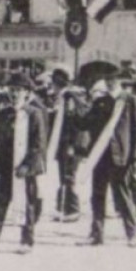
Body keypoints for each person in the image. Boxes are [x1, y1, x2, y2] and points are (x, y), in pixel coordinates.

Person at [0, 72, 48, 253]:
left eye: (18, 91)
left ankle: (27, 241)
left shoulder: (34, 114)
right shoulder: (5, 113)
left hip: (25, 168)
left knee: (26, 203)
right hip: (7, 166)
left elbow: (39, 144)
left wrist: (27, 165)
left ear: (27, 93)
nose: (14, 94)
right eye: (12, 90)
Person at [80, 73, 136, 246]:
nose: (110, 83)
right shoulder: (100, 102)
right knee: (97, 195)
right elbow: (85, 123)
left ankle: (132, 234)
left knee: (122, 196)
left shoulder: (131, 100)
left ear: (119, 81)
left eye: (113, 80)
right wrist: (72, 107)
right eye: (107, 80)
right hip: (100, 155)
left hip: (120, 156)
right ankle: (97, 234)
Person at [46, 66, 85, 223]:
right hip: (64, 144)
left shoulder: (69, 98)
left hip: (70, 144)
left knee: (68, 176)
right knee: (63, 175)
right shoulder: (64, 97)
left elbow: (72, 123)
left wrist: (71, 144)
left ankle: (73, 208)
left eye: (53, 83)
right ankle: (62, 207)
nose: (51, 87)